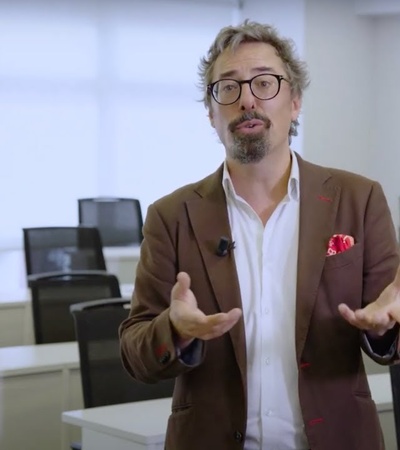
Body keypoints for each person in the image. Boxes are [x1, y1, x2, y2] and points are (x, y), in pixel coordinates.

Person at [119, 20, 400, 450]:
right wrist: (172, 330)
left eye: (265, 83)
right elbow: (135, 353)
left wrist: (385, 328)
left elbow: (392, 323)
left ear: (296, 101)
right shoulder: (171, 216)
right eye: (227, 88)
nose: (247, 99)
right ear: (211, 113)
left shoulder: (359, 199)